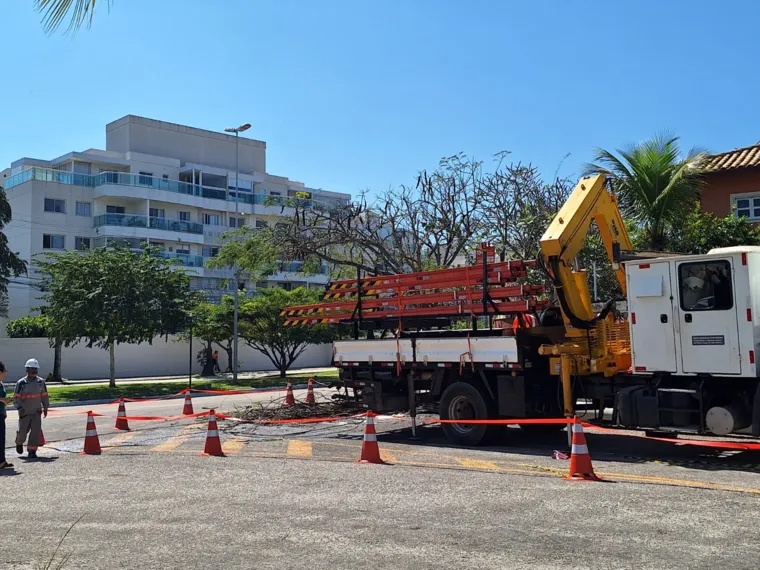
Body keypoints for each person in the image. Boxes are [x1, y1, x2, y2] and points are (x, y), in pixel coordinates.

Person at [14, 358, 48, 459]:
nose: (34, 371)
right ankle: (19, 442)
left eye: (36, 369)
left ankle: (32, 451)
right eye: (32, 369)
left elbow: (44, 395)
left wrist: (45, 407)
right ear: (27, 370)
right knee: (23, 432)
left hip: (36, 412)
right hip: (25, 412)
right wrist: (20, 408)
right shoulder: (21, 383)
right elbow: (16, 398)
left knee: (35, 432)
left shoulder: (41, 382)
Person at [0, 361, 13, 469]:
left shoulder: (1, 384)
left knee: (2, 439)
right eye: (5, 371)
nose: (6, 374)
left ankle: (2, 461)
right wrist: (3, 399)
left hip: (1, 414)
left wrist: (6, 400)